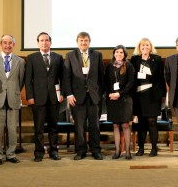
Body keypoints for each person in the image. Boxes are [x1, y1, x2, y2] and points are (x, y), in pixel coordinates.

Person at [64, 32, 105, 160]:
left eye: (86, 40)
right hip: (77, 97)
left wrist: (100, 93)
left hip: (94, 97)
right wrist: (69, 94)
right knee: (79, 126)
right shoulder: (70, 56)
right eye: (81, 41)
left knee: (95, 125)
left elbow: (101, 76)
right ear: (77, 42)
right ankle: (80, 151)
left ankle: (95, 150)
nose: (83, 43)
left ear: (89, 42)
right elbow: (67, 77)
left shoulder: (97, 55)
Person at [25, 32, 64, 162]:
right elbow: (28, 80)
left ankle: (54, 151)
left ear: (50, 42)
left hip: (54, 98)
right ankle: (39, 152)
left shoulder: (58, 57)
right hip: (38, 98)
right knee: (39, 128)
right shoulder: (31, 58)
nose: (44, 42)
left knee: (54, 126)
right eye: (41, 40)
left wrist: (62, 93)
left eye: (46, 40)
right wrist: (29, 96)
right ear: (38, 43)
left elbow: (62, 78)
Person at [0, 35, 25, 165]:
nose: (8, 45)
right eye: (5, 43)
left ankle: (11, 154)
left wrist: (14, 92)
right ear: (1, 44)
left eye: (10, 43)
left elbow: (21, 81)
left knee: (12, 128)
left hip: (13, 98)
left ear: (13, 45)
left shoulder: (20, 61)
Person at [131, 38, 166, 157]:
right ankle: (141, 148)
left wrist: (163, 94)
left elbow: (161, 78)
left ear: (150, 47)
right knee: (141, 123)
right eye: (142, 45)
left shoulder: (156, 59)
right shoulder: (135, 59)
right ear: (139, 47)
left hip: (153, 94)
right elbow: (132, 78)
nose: (145, 47)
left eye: (147, 45)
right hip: (139, 95)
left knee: (152, 122)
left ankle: (154, 148)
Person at [104, 45, 134, 160]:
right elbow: (106, 83)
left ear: (124, 54)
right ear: (114, 53)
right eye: (117, 52)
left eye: (121, 52)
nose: (119, 54)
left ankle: (127, 151)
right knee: (115, 125)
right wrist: (110, 94)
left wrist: (119, 94)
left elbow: (131, 83)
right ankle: (117, 151)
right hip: (112, 99)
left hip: (125, 99)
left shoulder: (129, 66)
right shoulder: (110, 66)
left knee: (125, 125)